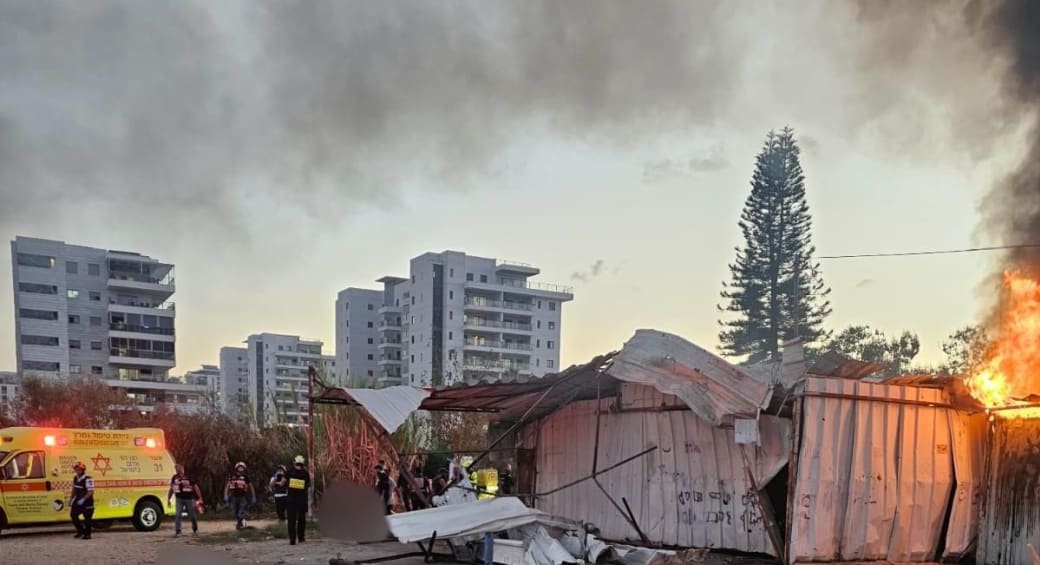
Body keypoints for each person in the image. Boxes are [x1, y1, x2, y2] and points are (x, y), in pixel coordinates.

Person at [167, 463, 202, 537]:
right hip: (179, 499)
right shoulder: (175, 478)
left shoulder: (189, 477)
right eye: (175, 469)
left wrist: (200, 497)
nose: (176, 470)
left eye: (177, 468)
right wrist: (169, 498)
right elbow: (172, 488)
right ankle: (178, 531)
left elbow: (196, 487)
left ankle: (195, 529)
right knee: (178, 514)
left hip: (189, 499)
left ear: (182, 468)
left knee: (192, 515)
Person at [286, 455, 311, 546]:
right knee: (301, 519)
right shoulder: (305, 473)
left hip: (291, 499)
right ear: (303, 463)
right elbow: (308, 485)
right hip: (302, 499)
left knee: (291, 520)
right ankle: (301, 537)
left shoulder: (289, 472)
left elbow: (283, 482)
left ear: (294, 462)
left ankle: (292, 539)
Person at [223, 461, 255, 530]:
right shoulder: (232, 476)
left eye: (242, 467)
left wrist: (253, 496)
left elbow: (251, 487)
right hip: (234, 497)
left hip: (243, 497)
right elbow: (228, 486)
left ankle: (240, 523)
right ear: (237, 468)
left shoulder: (246, 477)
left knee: (241, 511)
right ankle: (240, 523)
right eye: (240, 467)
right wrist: (226, 495)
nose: (241, 468)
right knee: (235, 512)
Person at [69, 461, 95, 540]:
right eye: (76, 469)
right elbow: (74, 489)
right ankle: (81, 531)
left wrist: (83, 499)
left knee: (87, 519)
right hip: (77, 500)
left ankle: (87, 534)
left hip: (87, 501)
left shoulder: (88, 479)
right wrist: (71, 499)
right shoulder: (75, 478)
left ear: (83, 470)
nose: (78, 471)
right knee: (73, 515)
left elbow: (91, 491)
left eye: (79, 469)